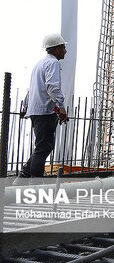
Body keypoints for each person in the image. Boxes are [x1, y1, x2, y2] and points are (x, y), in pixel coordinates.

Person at [17, 34, 70, 179]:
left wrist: (26, 107)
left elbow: (31, 89)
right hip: (45, 111)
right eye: (63, 47)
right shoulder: (53, 63)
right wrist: (61, 107)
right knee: (43, 148)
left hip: (37, 110)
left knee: (42, 146)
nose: (65, 51)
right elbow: (52, 87)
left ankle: (23, 176)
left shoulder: (39, 64)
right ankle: (35, 183)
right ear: (57, 49)